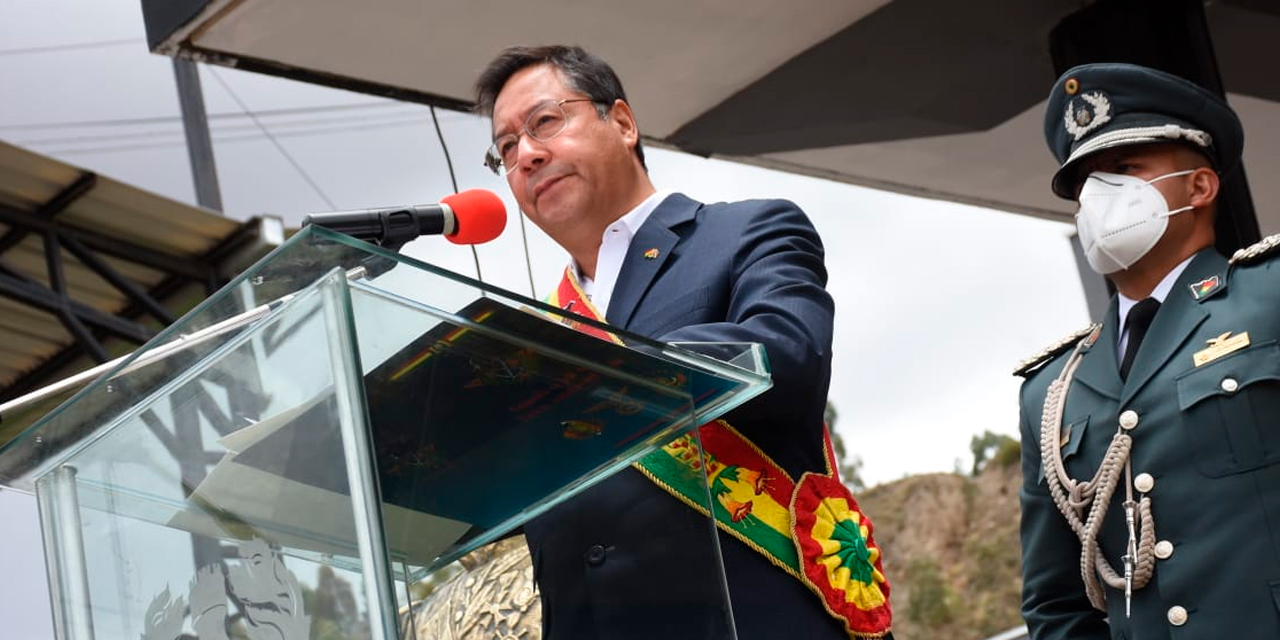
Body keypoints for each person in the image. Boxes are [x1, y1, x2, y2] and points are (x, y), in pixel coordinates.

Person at [473, 45, 892, 640]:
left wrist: (600, 374)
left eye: (544, 123)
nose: (528, 156)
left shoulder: (745, 231)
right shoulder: (540, 339)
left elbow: (788, 352)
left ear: (621, 122)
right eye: (507, 149)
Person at [1016, 62, 1280, 639]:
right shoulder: (1051, 391)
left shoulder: (1271, 294)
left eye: (1125, 168)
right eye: (1086, 182)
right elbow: (1056, 604)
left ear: (1200, 186)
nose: (1099, 195)